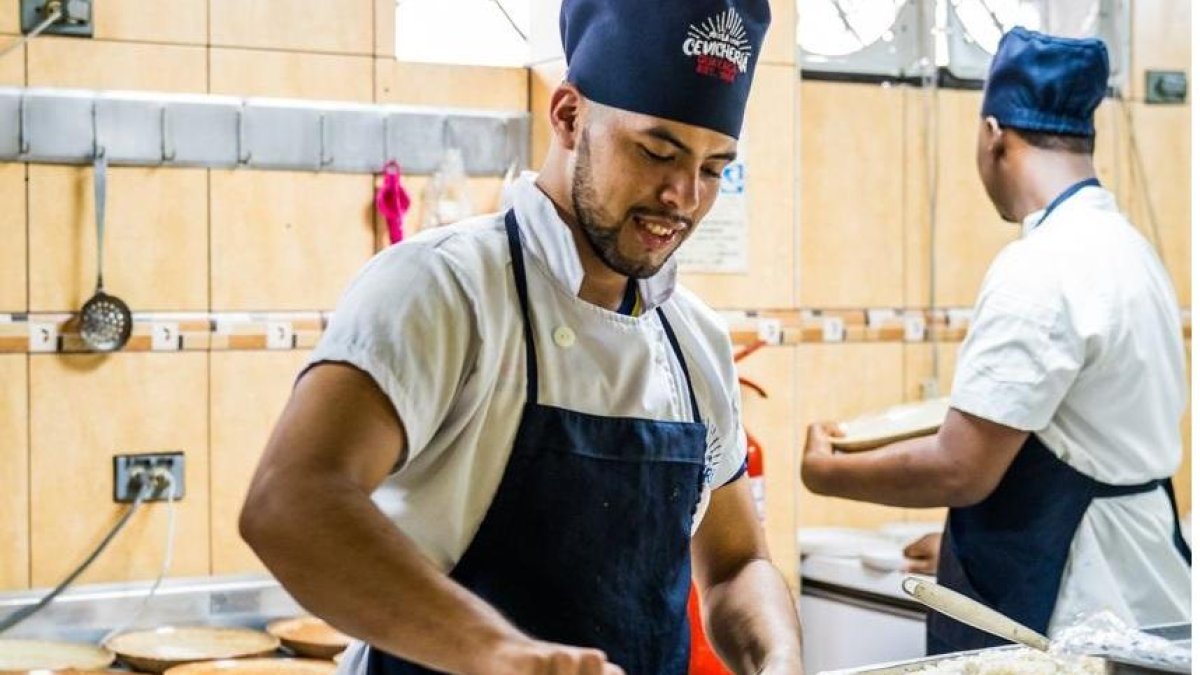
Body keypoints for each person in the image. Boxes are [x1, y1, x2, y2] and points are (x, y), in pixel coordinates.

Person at [239, 1, 804, 673]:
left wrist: (777, 658)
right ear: (568, 115)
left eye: (714, 168)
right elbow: (290, 501)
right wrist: (506, 656)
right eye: (657, 151)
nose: (683, 195)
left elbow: (738, 562)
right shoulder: (442, 287)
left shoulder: (694, 340)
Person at [801, 27, 1191, 655]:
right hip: (1143, 573)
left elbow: (961, 468)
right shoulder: (1129, 250)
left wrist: (827, 472)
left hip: (1075, 602)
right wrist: (969, 541)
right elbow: (1083, 441)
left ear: (992, 135)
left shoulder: (1040, 267)